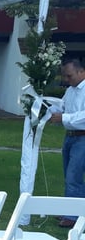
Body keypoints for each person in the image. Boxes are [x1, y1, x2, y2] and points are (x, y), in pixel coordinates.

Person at [47, 58, 85, 228]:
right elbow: (62, 107)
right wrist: (48, 110)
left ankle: (72, 215)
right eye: (65, 76)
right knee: (69, 174)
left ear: (81, 71)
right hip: (70, 136)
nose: (66, 79)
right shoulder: (70, 91)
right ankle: (72, 208)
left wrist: (64, 118)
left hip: (82, 137)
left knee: (73, 175)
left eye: (69, 76)